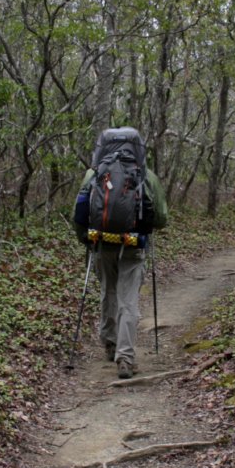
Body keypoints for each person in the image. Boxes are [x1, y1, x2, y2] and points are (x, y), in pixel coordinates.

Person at [73, 128, 169, 378]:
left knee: (108, 292)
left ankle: (110, 342)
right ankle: (125, 357)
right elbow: (161, 218)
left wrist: (86, 239)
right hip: (133, 246)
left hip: (101, 244)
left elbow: (79, 213)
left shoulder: (93, 174)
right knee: (128, 300)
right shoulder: (146, 176)